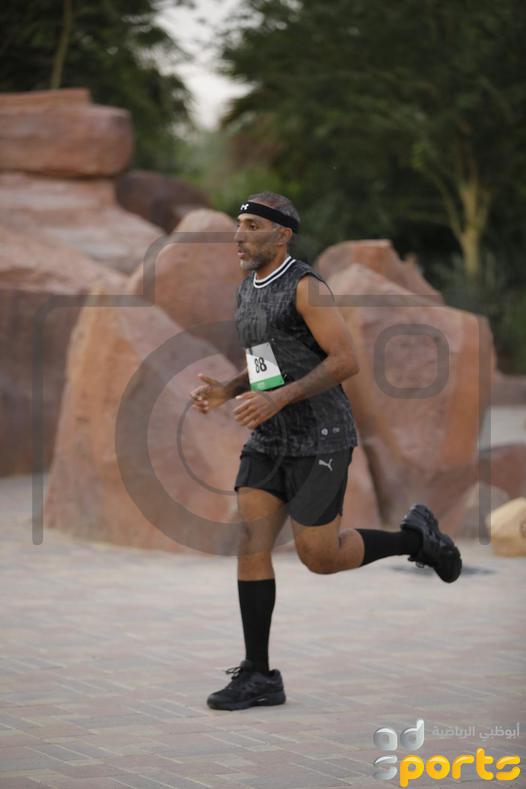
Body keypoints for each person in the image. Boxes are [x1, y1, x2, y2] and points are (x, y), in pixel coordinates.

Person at [190, 192, 462, 711]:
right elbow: (268, 361)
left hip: (321, 436)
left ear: (282, 234)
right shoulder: (247, 288)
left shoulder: (306, 287)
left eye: (252, 226)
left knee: (321, 557)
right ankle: (258, 674)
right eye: (239, 225)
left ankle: (417, 540)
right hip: (270, 438)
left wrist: (279, 399)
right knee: (252, 542)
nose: (239, 235)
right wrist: (230, 389)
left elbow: (344, 361)